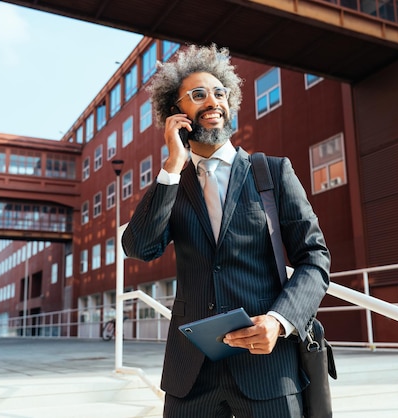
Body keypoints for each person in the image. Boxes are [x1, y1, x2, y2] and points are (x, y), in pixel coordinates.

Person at [122, 44, 331, 418]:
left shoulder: (273, 173)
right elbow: (139, 247)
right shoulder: (172, 184)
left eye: (220, 93)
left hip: (267, 366)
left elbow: (314, 258)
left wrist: (279, 322)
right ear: (176, 112)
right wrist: (172, 164)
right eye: (198, 94)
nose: (212, 101)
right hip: (191, 374)